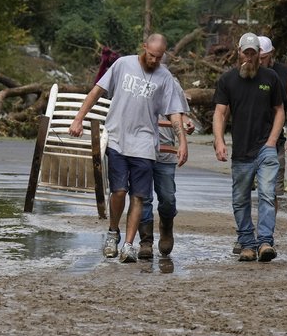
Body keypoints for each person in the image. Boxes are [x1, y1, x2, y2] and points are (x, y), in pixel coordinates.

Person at [69, 33, 189, 264]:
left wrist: (182, 141)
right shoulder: (123, 64)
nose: (154, 60)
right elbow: (97, 91)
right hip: (117, 138)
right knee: (119, 191)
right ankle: (113, 232)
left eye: (159, 57)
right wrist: (78, 119)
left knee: (139, 196)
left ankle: (129, 244)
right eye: (151, 55)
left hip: (144, 142)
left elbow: (174, 112)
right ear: (144, 47)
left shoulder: (165, 77)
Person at [213, 32, 284, 262]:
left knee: (267, 194)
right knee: (240, 199)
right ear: (239, 52)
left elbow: (279, 111)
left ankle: (265, 242)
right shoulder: (228, 80)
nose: (250, 58)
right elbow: (220, 113)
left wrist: (272, 140)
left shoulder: (270, 78)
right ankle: (246, 243)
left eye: (254, 53)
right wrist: (219, 140)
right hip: (241, 150)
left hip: (265, 147)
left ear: (259, 54)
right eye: (246, 53)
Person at [139, 77, 195, 259]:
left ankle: (166, 226)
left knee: (168, 198)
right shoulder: (135, 79)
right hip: (141, 149)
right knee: (143, 197)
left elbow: (180, 112)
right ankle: (146, 241)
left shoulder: (171, 83)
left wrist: (186, 123)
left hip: (166, 151)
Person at [258, 35, 287, 195]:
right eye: (257, 57)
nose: (259, 61)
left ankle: (270, 214)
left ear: (272, 53)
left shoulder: (285, 73)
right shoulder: (246, 72)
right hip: (248, 142)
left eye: (263, 57)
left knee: (272, 193)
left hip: (275, 142)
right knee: (244, 194)